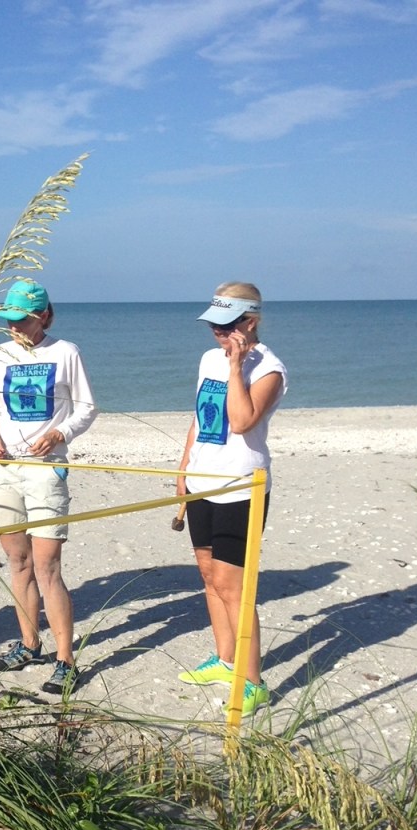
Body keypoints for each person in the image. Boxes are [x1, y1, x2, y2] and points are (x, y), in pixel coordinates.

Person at [175, 282, 287, 716]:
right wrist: (183, 472)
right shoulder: (208, 359)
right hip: (202, 480)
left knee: (233, 585)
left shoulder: (269, 369)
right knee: (208, 576)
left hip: (241, 486)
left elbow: (240, 421)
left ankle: (252, 681)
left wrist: (238, 365)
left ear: (249, 323)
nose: (218, 334)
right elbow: (200, 417)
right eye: (213, 326)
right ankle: (225, 659)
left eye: (226, 326)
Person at [0, 280, 97, 695]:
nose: (13, 327)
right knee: (18, 562)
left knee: (48, 567)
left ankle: (66, 660)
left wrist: (60, 434)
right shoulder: (0, 353)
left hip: (46, 467)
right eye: (8, 319)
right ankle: (30, 643)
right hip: (5, 467)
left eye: (20, 319)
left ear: (44, 316)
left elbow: (87, 407)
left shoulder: (65, 352)